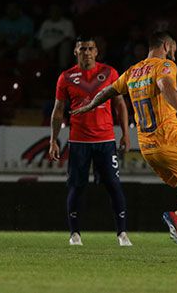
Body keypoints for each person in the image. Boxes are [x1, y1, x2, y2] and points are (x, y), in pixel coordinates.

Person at [72, 31, 177, 257]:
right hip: (170, 140)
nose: (174, 52)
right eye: (173, 47)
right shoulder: (164, 66)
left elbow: (107, 91)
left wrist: (88, 106)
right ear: (165, 45)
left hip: (148, 149)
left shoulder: (133, 71)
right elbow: (165, 86)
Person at [48, 36, 132, 247]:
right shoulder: (66, 77)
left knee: (113, 185)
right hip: (79, 141)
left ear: (97, 52)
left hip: (106, 140)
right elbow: (58, 111)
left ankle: (122, 234)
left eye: (90, 48)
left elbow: (120, 104)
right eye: (82, 48)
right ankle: (74, 234)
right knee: (77, 186)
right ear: (75, 52)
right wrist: (53, 140)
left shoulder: (110, 73)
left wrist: (126, 133)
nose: (87, 52)